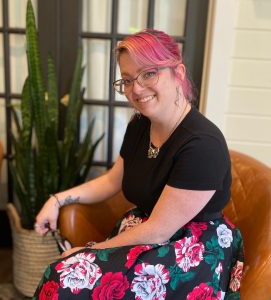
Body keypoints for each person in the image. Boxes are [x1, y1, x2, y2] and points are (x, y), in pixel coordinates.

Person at [34, 29, 244, 299]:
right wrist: (56, 200)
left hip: (191, 250)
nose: (136, 89)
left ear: (177, 72)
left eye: (149, 73)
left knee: (65, 280)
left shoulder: (203, 145)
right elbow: (112, 180)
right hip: (146, 232)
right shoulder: (140, 125)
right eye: (128, 80)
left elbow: (159, 230)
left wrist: (90, 250)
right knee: (63, 274)